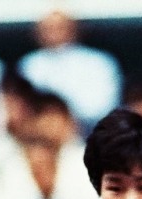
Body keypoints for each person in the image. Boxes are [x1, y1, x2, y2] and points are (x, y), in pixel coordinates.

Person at [17, 9, 124, 138]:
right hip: (40, 138)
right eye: (48, 28)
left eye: (59, 27)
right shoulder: (28, 64)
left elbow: (104, 107)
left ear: (75, 29)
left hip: (89, 137)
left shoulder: (99, 62)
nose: (53, 32)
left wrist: (65, 122)